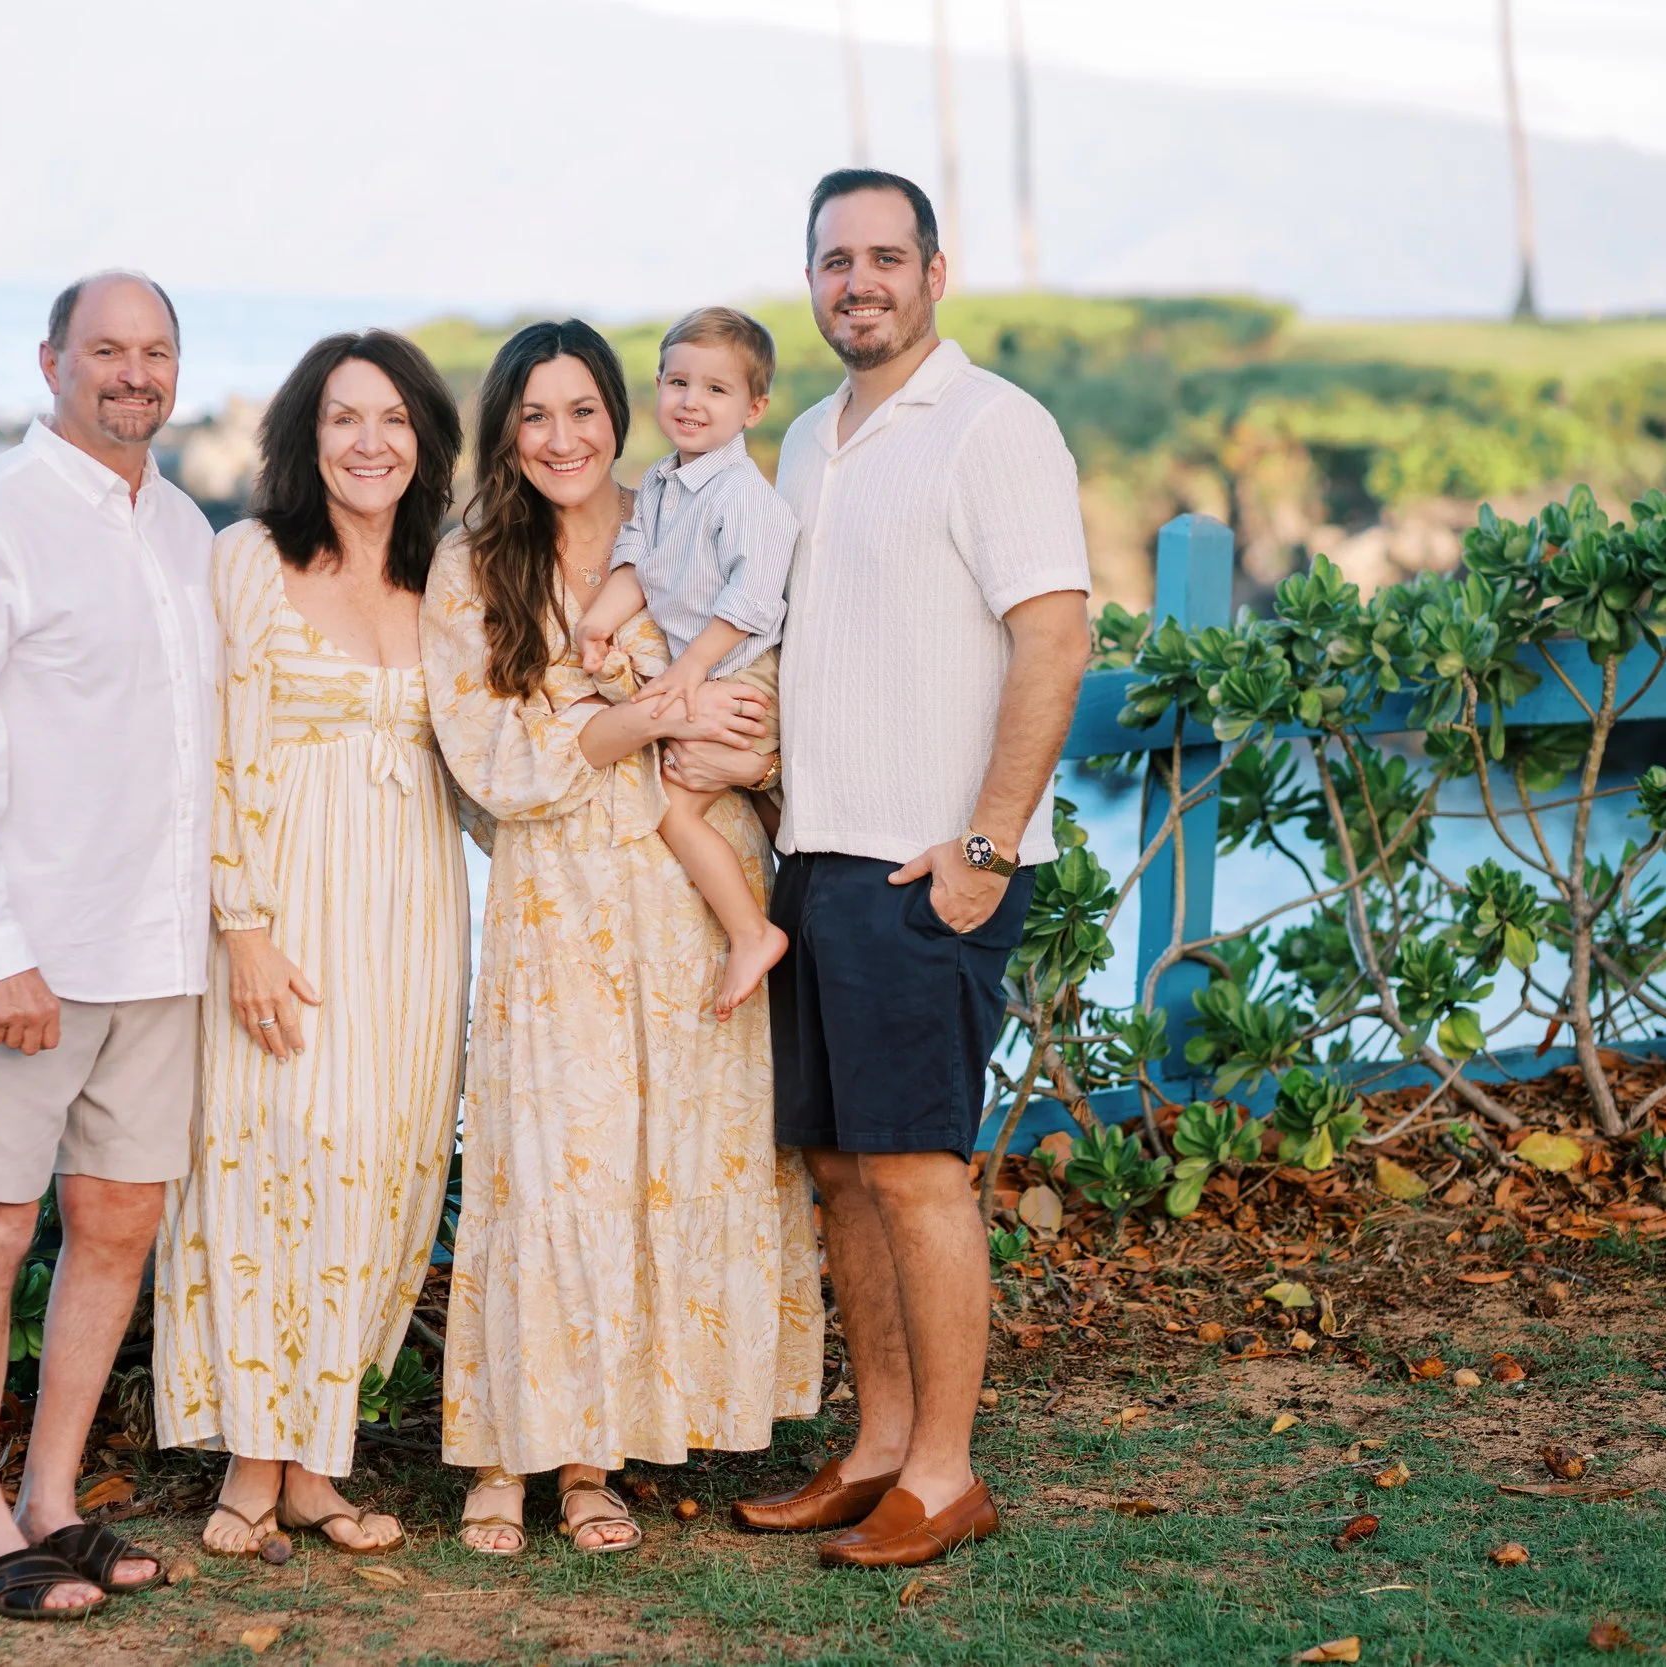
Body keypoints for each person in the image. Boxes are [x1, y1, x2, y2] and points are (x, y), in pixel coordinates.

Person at [730, 170, 1092, 1570]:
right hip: (817, 859)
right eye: (835, 259)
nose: (858, 280)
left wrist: (987, 848)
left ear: (935, 272)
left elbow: (1053, 639)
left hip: (924, 871)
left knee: (920, 1171)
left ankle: (946, 1472)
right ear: (811, 279)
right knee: (841, 1169)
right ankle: (880, 1447)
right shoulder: (814, 438)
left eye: (886, 256)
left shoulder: (995, 428)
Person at [420, 320, 823, 1559]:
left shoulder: (685, 521)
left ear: (621, 416)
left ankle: (595, 1455)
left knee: (666, 1161)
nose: (561, 438)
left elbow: (778, 676)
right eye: (534, 416)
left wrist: (747, 744)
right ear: (506, 431)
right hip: (559, 903)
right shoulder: (472, 562)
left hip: (694, 889)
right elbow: (477, 750)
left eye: (583, 411)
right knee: (551, 1166)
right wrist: (614, 729)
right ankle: (504, 1450)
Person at [0, 270, 210, 1619]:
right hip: (20, 952)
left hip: (158, 948)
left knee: (119, 1218)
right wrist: (0, 945)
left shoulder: (188, 523)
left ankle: (55, 1499)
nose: (131, 374)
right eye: (105, 350)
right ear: (50, 361)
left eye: (154, 353)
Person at [151, 331, 471, 1558]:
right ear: (305, 435)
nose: (370, 440)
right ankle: (249, 1457)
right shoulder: (247, 561)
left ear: (423, 441)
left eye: (393, 418)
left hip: (413, 920)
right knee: (260, 1159)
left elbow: (494, 756)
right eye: (343, 418)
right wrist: (241, 925)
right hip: (281, 912)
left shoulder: (444, 583)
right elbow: (215, 754)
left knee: (379, 1170)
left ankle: (314, 1461)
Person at [573, 306, 798, 1019]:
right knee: (675, 795)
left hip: (740, 668)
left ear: (754, 407)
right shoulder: (665, 482)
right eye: (678, 383)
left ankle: (751, 931)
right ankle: (747, 924)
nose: (691, 402)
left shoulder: (745, 497)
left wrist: (694, 668)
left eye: (716, 390)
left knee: (671, 803)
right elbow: (637, 559)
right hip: (701, 665)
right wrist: (598, 621)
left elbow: (754, 599)